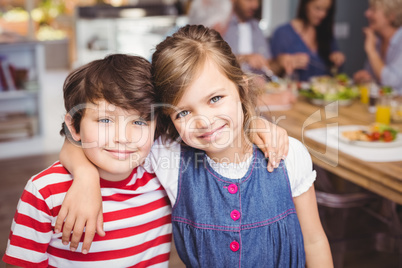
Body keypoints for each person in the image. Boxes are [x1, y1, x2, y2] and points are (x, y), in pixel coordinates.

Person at [57, 25, 332, 267]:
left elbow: (314, 241)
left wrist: (255, 123)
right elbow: (82, 142)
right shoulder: (168, 155)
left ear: (241, 88)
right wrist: (85, 176)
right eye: (183, 113)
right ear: (169, 120)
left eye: (215, 99)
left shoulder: (289, 154)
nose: (204, 121)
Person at [2, 54, 173, 267]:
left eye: (139, 121)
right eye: (105, 119)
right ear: (73, 126)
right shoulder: (45, 192)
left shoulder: (165, 177)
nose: (123, 137)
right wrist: (85, 175)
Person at [223, 0, 298, 106]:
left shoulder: (256, 27)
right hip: (240, 99)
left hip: (262, 95)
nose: (255, 5)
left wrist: (279, 61)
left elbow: (268, 68)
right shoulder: (221, 25)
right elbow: (214, 64)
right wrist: (244, 58)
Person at [270, 0, 345, 82]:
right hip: (293, 93)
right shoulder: (282, 33)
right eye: (318, 8)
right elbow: (270, 73)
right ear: (305, 5)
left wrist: (337, 61)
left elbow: (337, 74)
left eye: (327, 10)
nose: (323, 14)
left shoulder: (326, 33)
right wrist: (281, 63)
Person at [353, 0, 402, 95]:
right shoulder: (378, 40)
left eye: (373, 10)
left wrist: (371, 51)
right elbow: (376, 80)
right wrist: (364, 79)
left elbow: (391, 85)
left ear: (391, 16)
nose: (367, 13)